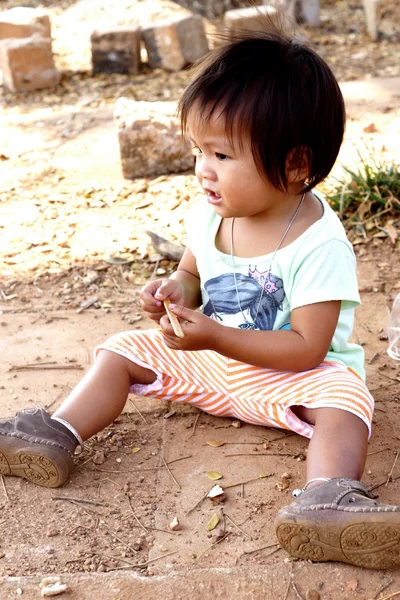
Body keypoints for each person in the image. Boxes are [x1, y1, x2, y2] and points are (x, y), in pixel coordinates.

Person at [1, 23, 400, 570]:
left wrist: (214, 333)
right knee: (121, 348)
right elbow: (193, 273)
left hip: (290, 381)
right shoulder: (212, 212)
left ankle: (328, 497)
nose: (203, 171)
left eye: (223, 155)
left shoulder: (320, 243)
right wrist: (174, 290)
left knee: (347, 396)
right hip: (211, 364)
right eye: (198, 151)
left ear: (296, 165)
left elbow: (308, 348)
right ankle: (53, 432)